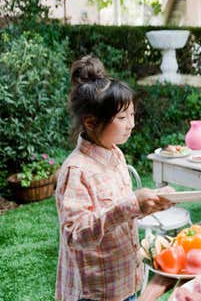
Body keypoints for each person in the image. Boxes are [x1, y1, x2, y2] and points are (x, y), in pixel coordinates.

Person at [56, 55, 174, 301]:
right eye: (122, 118)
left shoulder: (115, 154)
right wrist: (132, 204)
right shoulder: (76, 170)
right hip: (97, 291)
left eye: (132, 115)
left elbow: (118, 211)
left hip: (126, 280)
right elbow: (74, 234)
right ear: (91, 122)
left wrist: (149, 203)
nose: (131, 124)